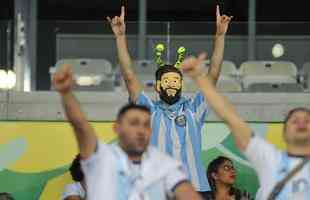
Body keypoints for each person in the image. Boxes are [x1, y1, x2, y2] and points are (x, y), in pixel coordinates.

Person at [107, 5, 232, 194]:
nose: (172, 84)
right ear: (158, 87)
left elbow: (213, 73)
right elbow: (129, 76)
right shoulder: (148, 110)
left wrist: (220, 36)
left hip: (195, 190)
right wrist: (120, 37)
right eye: (167, 81)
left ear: (181, 85)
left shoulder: (194, 109)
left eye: (176, 80)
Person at [52, 64, 202, 200]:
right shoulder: (105, 156)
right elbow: (81, 126)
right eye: (134, 123)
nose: (140, 130)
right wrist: (66, 94)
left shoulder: (164, 165)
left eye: (145, 125)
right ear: (116, 127)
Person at [180, 52, 310, 199]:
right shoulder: (270, 158)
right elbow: (230, 116)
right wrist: (199, 78)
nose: (301, 123)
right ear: (284, 132)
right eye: (295, 120)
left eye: (307, 120)